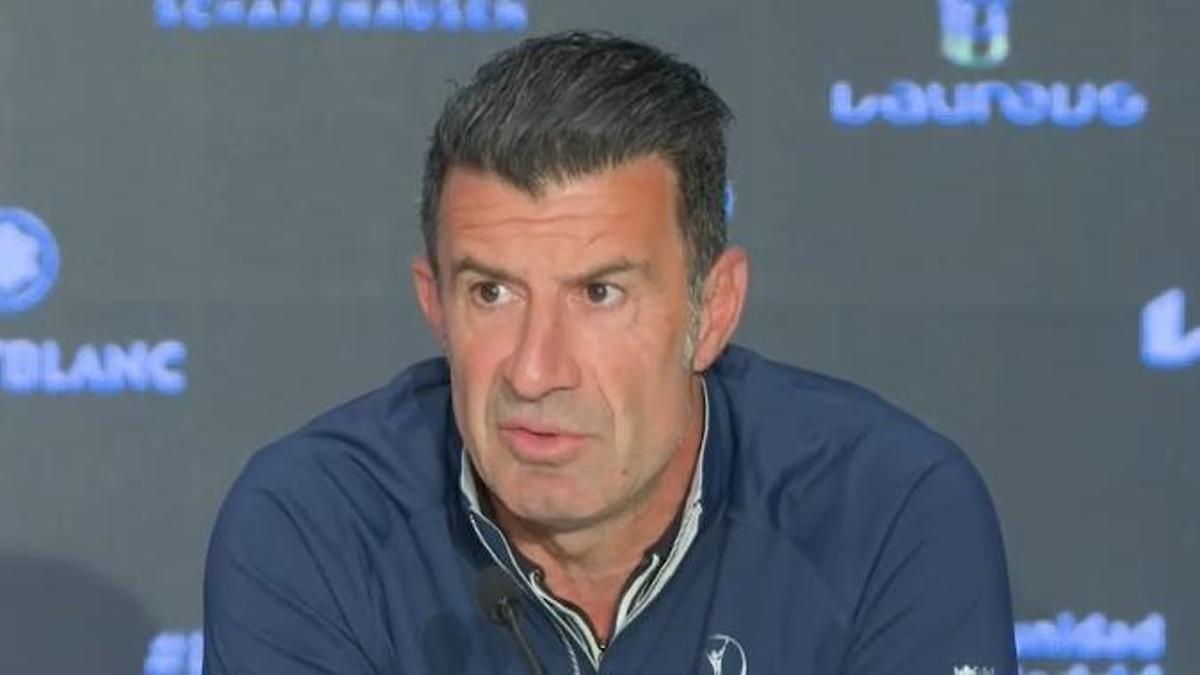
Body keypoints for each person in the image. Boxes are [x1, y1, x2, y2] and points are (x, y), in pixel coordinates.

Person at [203, 30, 1017, 674]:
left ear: (713, 309)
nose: (535, 370)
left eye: (599, 293)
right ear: (435, 305)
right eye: (492, 293)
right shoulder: (315, 525)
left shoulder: (885, 510)